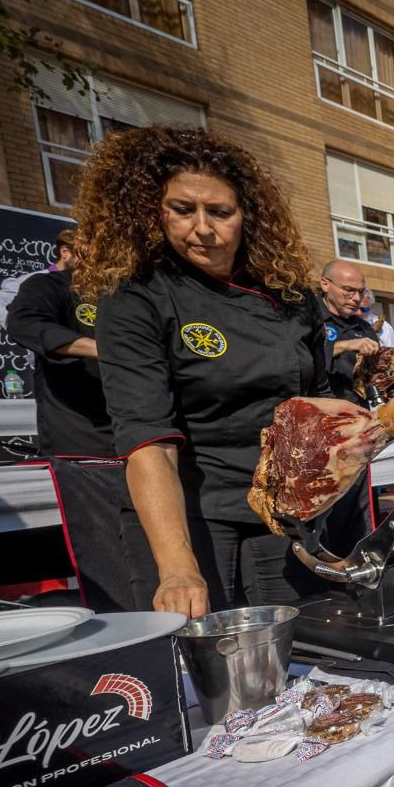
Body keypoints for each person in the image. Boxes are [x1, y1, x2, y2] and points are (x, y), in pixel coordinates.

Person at [78, 127, 335, 617]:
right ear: (153, 211)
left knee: (311, 659)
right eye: (182, 209)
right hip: (189, 515)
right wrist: (177, 568)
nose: (202, 228)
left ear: (247, 216)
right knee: (204, 679)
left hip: (281, 512)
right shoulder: (137, 296)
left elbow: (317, 404)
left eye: (220, 212)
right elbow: (146, 437)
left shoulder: (290, 297)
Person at [5, 230, 143, 612]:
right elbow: (25, 325)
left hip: (135, 434)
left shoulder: (126, 294)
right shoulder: (49, 286)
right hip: (81, 442)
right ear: (73, 251)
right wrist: (105, 350)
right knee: (105, 551)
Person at [317, 260, 381, 404]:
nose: (357, 298)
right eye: (349, 290)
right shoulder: (306, 317)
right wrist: (345, 346)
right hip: (319, 409)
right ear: (325, 284)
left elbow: (374, 375)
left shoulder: (364, 328)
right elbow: (301, 357)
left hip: (357, 411)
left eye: (361, 291)